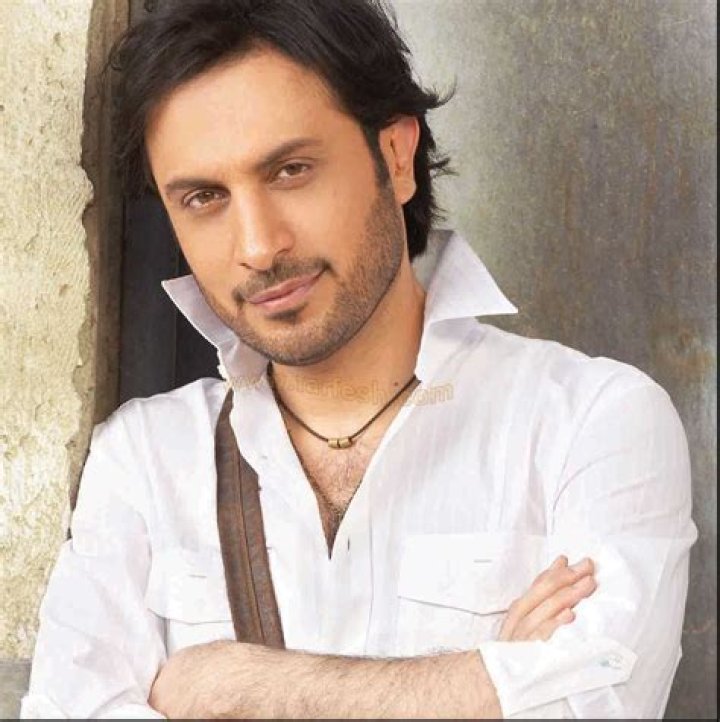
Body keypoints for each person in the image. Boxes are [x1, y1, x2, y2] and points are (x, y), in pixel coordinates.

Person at [21, 0, 696, 718]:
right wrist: (488, 680)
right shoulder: (143, 460)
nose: (258, 246)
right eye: (204, 197)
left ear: (396, 158)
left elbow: (599, 698)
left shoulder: (589, 422)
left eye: (291, 170)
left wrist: (234, 684)